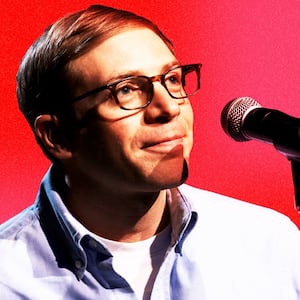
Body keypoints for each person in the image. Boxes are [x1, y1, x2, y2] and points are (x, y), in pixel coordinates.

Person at [0, 4, 300, 300]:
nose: (168, 107)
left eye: (172, 79)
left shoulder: (269, 242)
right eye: (126, 90)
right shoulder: (8, 277)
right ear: (57, 136)